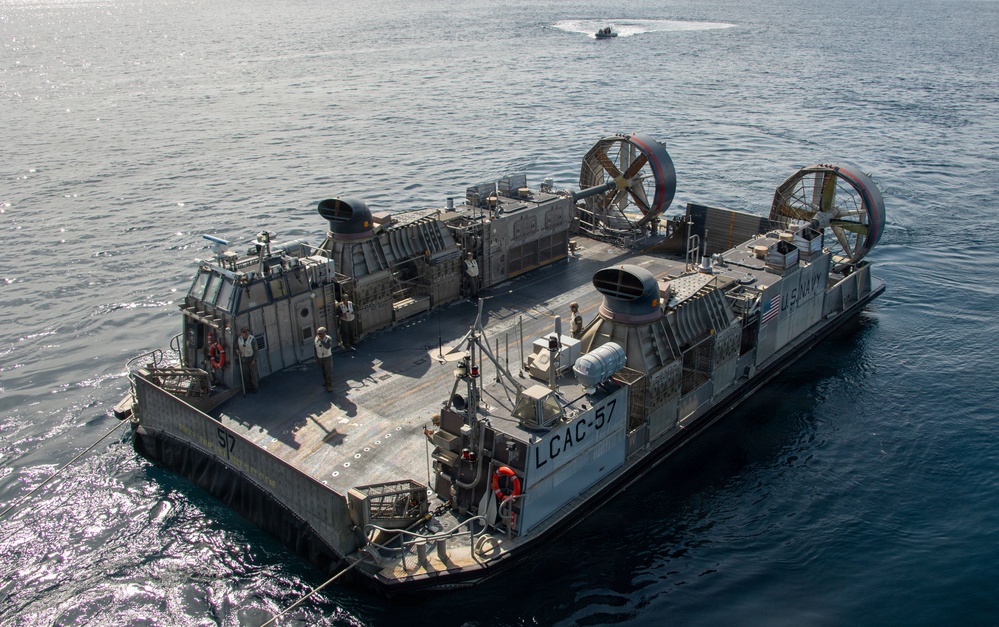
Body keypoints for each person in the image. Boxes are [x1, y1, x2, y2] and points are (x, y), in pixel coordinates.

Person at [237, 327, 259, 392]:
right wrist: (237, 350)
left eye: (244, 332)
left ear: (247, 333)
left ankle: (255, 387)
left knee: (253, 373)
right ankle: (248, 387)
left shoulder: (252, 339)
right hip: (244, 359)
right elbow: (237, 346)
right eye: (242, 332)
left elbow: (256, 350)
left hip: (251, 358)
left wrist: (254, 359)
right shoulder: (239, 339)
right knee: (246, 374)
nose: (242, 334)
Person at [314, 326, 334, 392]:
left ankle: (329, 385)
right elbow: (315, 348)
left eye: (321, 334)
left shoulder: (328, 339)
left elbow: (327, 346)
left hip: (327, 357)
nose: (320, 335)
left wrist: (322, 341)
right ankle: (325, 381)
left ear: (325, 333)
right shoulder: (316, 339)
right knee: (323, 371)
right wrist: (316, 357)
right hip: (320, 357)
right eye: (319, 334)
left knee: (328, 371)